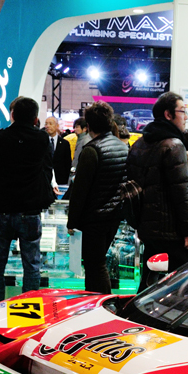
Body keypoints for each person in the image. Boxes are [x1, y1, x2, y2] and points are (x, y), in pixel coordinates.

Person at [0, 96, 57, 307]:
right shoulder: (42, 139)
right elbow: (47, 171)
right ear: (35, 118)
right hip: (30, 211)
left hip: (1, 210)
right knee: (31, 265)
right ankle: (30, 311)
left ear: (12, 115)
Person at [126, 91, 188, 288]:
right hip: (171, 232)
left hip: (148, 229)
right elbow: (181, 192)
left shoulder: (139, 144)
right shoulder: (174, 145)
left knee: (150, 282)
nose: (186, 117)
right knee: (181, 285)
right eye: (182, 111)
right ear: (168, 114)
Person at [66, 101, 128, 293]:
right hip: (114, 216)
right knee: (98, 264)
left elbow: (80, 191)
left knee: (95, 266)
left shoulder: (92, 150)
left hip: (94, 218)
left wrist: (72, 222)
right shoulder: (122, 147)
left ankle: (100, 304)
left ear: (89, 125)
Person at [44, 115, 71, 188]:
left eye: (50, 123)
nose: (47, 126)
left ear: (57, 126)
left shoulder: (65, 143)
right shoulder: (42, 142)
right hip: (45, 180)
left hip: (60, 180)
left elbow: (67, 163)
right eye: (46, 124)